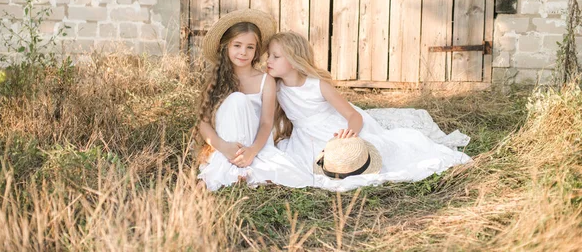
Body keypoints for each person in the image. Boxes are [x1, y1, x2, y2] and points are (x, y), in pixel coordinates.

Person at [267, 31, 472, 192]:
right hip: (305, 136)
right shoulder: (275, 87)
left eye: (275, 56)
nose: (268, 60)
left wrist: (351, 134)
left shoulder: (317, 86)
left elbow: (353, 116)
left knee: (363, 157)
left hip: (334, 128)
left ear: (294, 61)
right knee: (308, 168)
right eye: (269, 55)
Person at [196, 10, 313, 191]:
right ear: (226, 47)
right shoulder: (217, 80)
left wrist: (252, 151)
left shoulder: (266, 81)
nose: (243, 52)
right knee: (236, 100)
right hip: (225, 143)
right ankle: (230, 168)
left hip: (253, 142)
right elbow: (203, 123)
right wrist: (224, 147)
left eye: (250, 47)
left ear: (256, 51)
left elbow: (266, 123)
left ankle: (227, 172)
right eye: (237, 45)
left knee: (298, 175)